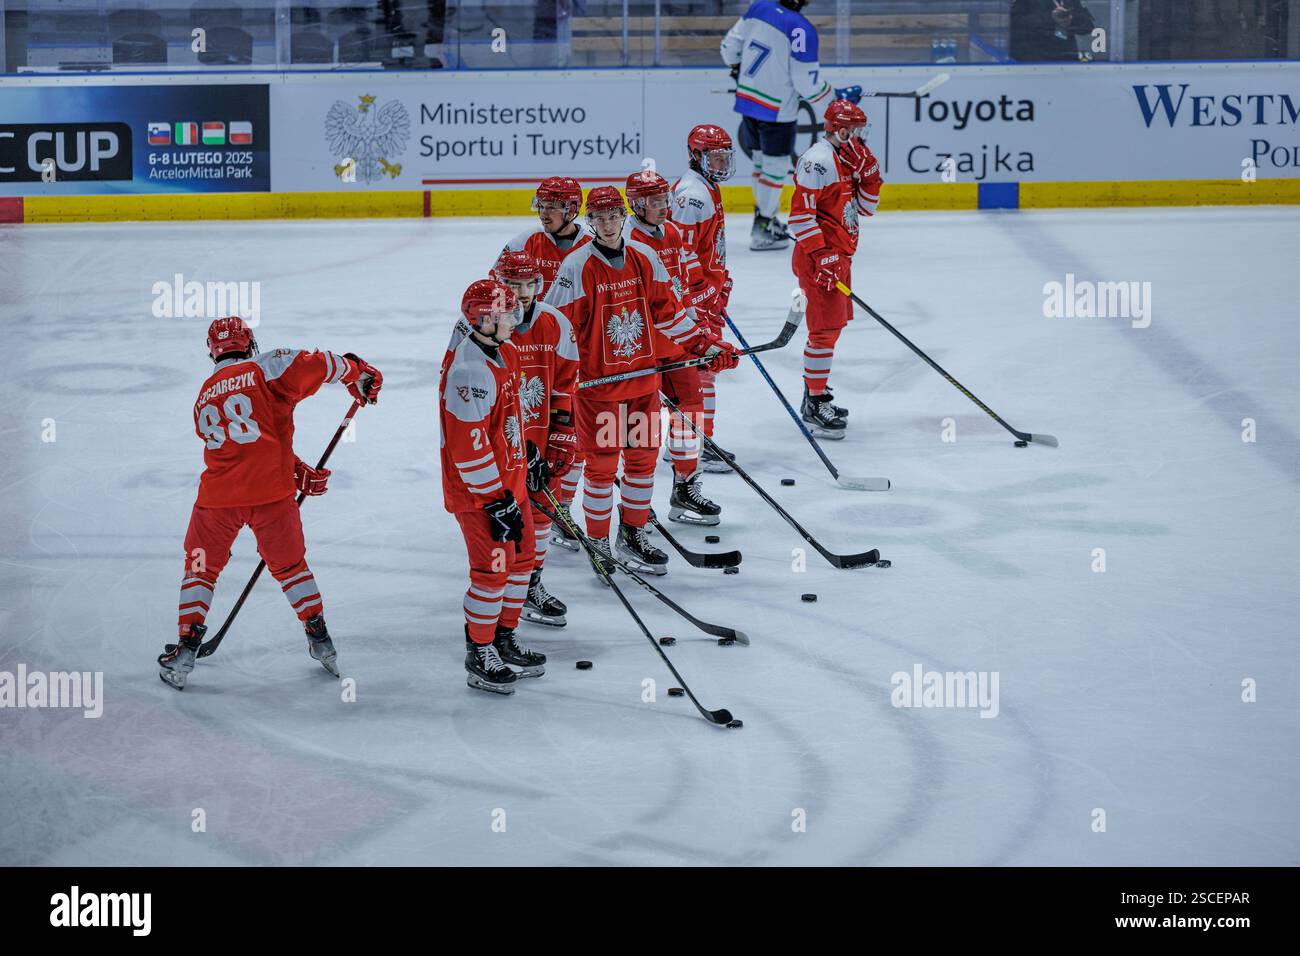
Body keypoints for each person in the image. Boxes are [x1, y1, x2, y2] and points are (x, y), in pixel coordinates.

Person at [157, 316, 382, 690]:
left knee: (200, 568)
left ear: (213, 352)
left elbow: (245, 445)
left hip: (218, 499)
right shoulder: (266, 367)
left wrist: (293, 468)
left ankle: (186, 647)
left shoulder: (205, 393)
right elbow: (319, 363)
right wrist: (356, 371)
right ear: (248, 344)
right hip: (271, 497)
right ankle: (320, 638)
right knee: (291, 566)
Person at [544, 186, 737, 575]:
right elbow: (556, 330)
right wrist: (559, 384)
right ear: (591, 221)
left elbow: (668, 314)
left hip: (643, 386)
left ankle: (631, 534)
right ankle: (598, 541)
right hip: (599, 391)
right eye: (600, 217)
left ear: (621, 214)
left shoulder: (644, 257)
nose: (609, 223)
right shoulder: (577, 266)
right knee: (600, 469)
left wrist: (706, 346)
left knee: (642, 463)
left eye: (614, 215)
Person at [440, 279, 549, 695]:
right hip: (481, 494)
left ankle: (504, 637)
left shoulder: (506, 352)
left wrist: (529, 453)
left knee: (522, 562)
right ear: (483, 320)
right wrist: (495, 501)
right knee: (492, 572)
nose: (514, 317)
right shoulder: (469, 370)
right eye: (505, 313)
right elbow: (468, 449)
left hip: (511, 481)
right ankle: (480, 651)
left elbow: (508, 419)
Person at [624, 168, 722, 527]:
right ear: (635, 204)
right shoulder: (626, 242)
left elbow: (691, 282)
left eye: (665, 199)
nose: (663, 207)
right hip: (642, 350)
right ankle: (634, 502)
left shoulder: (675, 233)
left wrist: (706, 310)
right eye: (654, 201)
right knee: (641, 431)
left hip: (677, 343)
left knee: (691, 411)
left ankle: (684, 487)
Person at [489, 250, 580, 627]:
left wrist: (561, 434)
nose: (522, 292)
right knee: (503, 523)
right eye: (513, 284)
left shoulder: (555, 323)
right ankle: (496, 593)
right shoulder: (479, 327)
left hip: (540, 439)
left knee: (542, 514)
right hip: (499, 446)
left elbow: (564, 385)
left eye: (528, 284)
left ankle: (530, 584)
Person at [502, 176, 593, 550]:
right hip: (533, 357)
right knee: (528, 435)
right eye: (540, 205)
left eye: (553, 207)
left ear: (573, 209)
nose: (544, 214)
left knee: (576, 441)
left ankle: (562, 507)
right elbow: (497, 291)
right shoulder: (523, 243)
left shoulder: (593, 245)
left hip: (580, 356)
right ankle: (519, 506)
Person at [788, 97, 881, 438]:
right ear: (840, 131)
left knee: (833, 329)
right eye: (855, 131)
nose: (860, 137)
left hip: (839, 259)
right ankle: (814, 402)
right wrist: (822, 254)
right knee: (824, 331)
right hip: (819, 260)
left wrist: (869, 173)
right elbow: (799, 216)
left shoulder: (849, 158)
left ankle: (816, 391)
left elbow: (867, 209)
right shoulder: (817, 161)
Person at [721, 0, 833, 251]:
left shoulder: (759, 7)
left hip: (748, 102)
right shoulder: (801, 29)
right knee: (774, 168)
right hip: (777, 110)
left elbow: (729, 47)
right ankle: (763, 226)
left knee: (762, 165)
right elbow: (807, 84)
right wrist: (834, 98)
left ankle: (764, 219)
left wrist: (737, 68)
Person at [670, 124, 738, 473]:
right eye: (715, 157)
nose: (722, 163)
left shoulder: (706, 187)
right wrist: (701, 292)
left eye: (726, 156)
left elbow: (707, 248)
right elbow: (679, 251)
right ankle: (698, 443)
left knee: (700, 370)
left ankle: (687, 440)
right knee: (702, 370)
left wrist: (719, 281)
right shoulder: (692, 195)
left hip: (705, 296)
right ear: (695, 156)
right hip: (693, 302)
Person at [1009, 0, 1097, 63]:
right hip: (1036, 59)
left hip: (1067, 58)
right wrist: (1051, 18)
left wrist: (1071, 20)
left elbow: (1087, 27)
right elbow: (1016, 23)